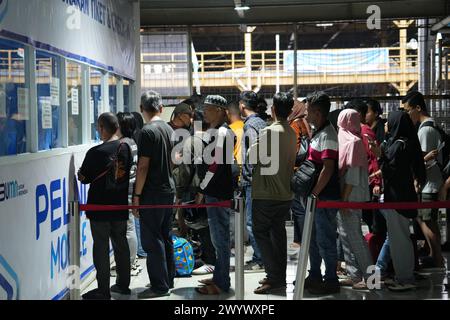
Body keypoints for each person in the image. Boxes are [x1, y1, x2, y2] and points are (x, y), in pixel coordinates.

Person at [370, 110, 426, 291]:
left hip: (397, 198)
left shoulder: (399, 146)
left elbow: (390, 170)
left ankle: (405, 278)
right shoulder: (407, 143)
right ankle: (404, 275)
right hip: (404, 196)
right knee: (401, 237)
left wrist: (379, 155)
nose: (386, 125)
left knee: (399, 239)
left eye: (389, 122)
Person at [78, 112, 132, 300]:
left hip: (99, 207)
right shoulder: (126, 148)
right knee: (121, 244)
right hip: (120, 206)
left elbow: (84, 178)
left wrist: (81, 175)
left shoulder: (95, 153)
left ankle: (103, 290)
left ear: (101, 128)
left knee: (100, 247)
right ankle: (123, 285)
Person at [251, 92, 297, 294]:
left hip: (265, 193)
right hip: (285, 193)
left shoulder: (269, 132)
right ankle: (278, 275)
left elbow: (252, 156)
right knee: (278, 235)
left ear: (273, 110)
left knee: (261, 233)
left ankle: (274, 276)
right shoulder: (292, 133)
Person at [133, 91, 176, 299]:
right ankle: (169, 278)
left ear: (142, 109)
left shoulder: (147, 131)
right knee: (166, 235)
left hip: (152, 192)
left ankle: (159, 285)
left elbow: (142, 166)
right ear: (160, 108)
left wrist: (136, 195)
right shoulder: (168, 129)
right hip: (169, 189)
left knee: (152, 239)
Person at [195, 95, 234, 295]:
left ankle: (222, 282)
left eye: (208, 108)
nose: (205, 111)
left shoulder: (222, 133)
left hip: (217, 193)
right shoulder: (218, 132)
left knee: (220, 239)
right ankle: (220, 276)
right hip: (216, 191)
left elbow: (215, 164)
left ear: (219, 110)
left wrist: (202, 188)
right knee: (218, 238)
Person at [402, 91, 445, 270]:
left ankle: (437, 258)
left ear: (418, 108)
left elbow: (423, 159)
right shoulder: (430, 126)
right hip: (431, 182)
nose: (407, 115)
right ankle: (434, 256)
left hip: (429, 184)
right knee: (427, 220)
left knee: (426, 221)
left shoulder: (426, 129)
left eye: (408, 110)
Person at [303, 91, 341, 295]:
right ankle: (315, 275)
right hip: (318, 196)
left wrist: (315, 193)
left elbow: (328, 167)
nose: (306, 114)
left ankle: (331, 280)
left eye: (308, 110)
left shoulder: (327, 134)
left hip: (324, 196)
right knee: (314, 237)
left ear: (317, 112)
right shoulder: (319, 131)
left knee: (325, 238)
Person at [336, 109, 373, 290]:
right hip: (346, 195)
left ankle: (371, 278)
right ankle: (354, 275)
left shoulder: (354, 142)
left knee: (356, 237)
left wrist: (343, 199)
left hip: (350, 196)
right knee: (346, 236)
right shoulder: (346, 139)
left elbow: (352, 174)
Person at [240, 91, 267, 272]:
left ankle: (259, 259)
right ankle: (264, 257)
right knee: (261, 221)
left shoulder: (250, 126)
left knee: (252, 222)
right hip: (264, 178)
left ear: (242, 106)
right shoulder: (262, 123)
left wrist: (247, 176)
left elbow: (252, 156)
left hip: (253, 181)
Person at [116, 112, 141, 276]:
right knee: (129, 227)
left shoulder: (123, 144)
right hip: (132, 188)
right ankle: (132, 261)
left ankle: (131, 263)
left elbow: (120, 171)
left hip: (125, 191)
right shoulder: (132, 142)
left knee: (128, 229)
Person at [287, 99, 311, 257]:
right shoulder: (304, 122)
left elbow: (294, 149)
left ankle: (303, 239)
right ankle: (299, 238)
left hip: (297, 170)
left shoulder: (295, 123)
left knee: (298, 207)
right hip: (304, 170)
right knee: (299, 207)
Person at [131, 111, 147, 259]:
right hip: (145, 182)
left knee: (136, 218)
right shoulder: (144, 134)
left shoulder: (133, 138)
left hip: (136, 182)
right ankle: (143, 248)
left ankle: (141, 249)